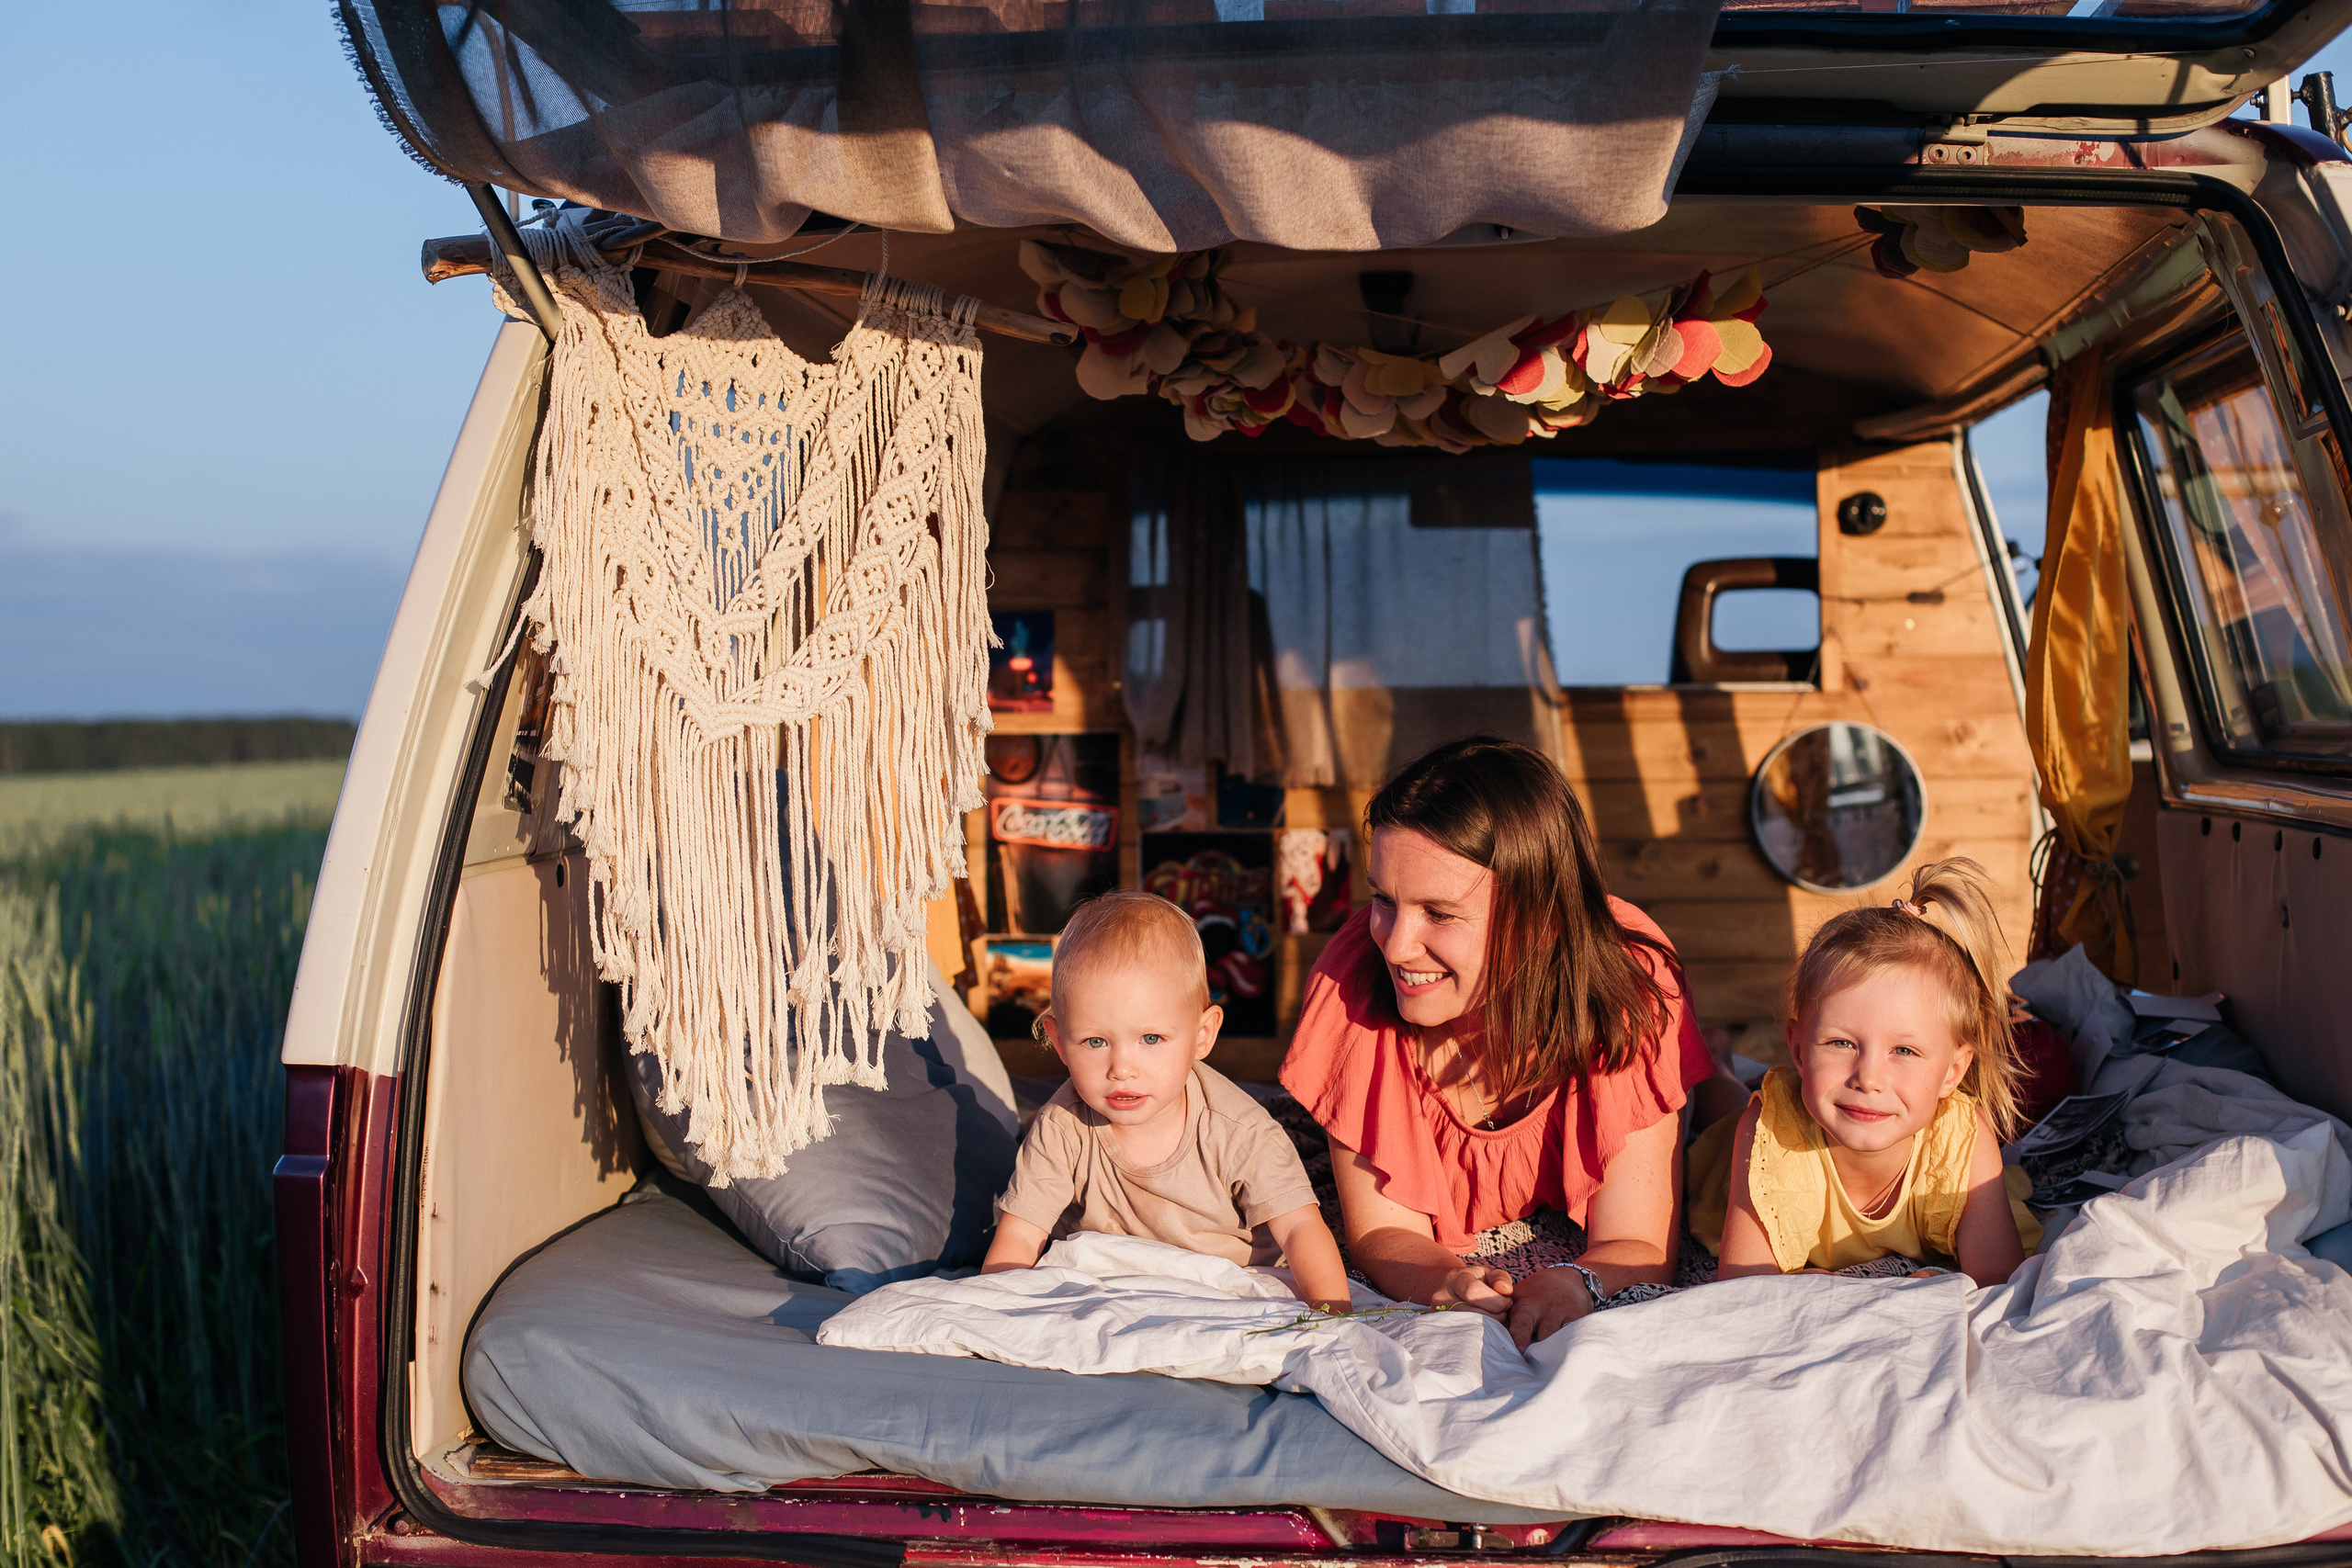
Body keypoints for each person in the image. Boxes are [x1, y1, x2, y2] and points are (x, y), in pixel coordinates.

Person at [1281, 737, 1716, 1350]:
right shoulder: (1354, 987)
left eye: (1438, 911)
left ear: (1539, 921)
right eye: (1383, 898)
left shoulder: (1629, 997)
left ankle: (1712, 1066)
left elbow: (1639, 1242)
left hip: (1596, 1011)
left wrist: (1577, 1281)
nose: (1397, 944)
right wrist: (1442, 1279)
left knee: (1717, 1112)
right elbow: (1382, 1231)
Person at [984, 890, 1353, 1310]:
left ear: (1202, 1035)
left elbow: (1300, 1227)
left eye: (1151, 1039)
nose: (1121, 1067)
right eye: (1095, 1041)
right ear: (1059, 1042)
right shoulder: (1061, 1127)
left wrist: (1333, 1313)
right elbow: (1019, 1236)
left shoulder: (1240, 1130)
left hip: (1228, 1285)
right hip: (1111, 1289)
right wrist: (998, 1312)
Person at [1716, 858, 2029, 1289]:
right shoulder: (1768, 1132)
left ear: (1953, 1072)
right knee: (1724, 1108)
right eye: (1842, 1043)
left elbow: (1997, 1280)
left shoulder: (1963, 1139)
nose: (1868, 1078)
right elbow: (1742, 1287)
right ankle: (1714, 1066)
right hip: (1725, 1158)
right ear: (1799, 1049)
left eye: (1904, 1050)